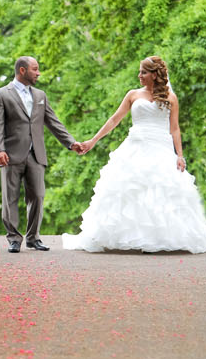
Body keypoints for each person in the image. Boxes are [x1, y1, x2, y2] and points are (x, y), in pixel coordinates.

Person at [62, 55, 206, 253]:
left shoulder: (170, 98)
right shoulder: (133, 95)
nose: (139, 75)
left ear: (155, 75)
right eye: (140, 71)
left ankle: (159, 238)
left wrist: (179, 155)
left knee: (160, 190)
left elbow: (175, 129)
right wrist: (92, 141)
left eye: (143, 72)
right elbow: (114, 120)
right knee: (128, 187)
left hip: (161, 147)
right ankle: (127, 237)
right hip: (136, 146)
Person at [0, 56, 79, 252]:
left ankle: (33, 237)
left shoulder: (40, 95)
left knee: (38, 196)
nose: (38, 73)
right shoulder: (1, 94)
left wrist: (71, 143)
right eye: (35, 69)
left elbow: (53, 122)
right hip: (10, 154)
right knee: (10, 198)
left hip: (36, 154)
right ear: (22, 70)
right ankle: (14, 238)